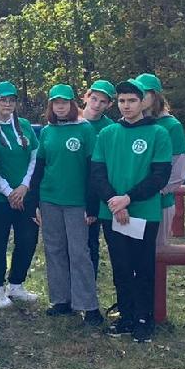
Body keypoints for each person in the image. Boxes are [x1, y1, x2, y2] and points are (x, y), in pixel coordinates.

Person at [91, 79, 171, 343]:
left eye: (132, 100)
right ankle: (125, 317)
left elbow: (159, 176)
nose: (127, 106)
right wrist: (114, 201)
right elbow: (98, 173)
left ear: (142, 102)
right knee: (121, 266)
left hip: (144, 211)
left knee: (142, 266)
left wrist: (128, 199)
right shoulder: (107, 134)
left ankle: (143, 319)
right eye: (122, 101)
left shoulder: (158, 133)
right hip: (111, 212)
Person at [28, 85, 102, 327]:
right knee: (54, 250)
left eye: (65, 102)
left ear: (73, 104)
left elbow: (93, 169)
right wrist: (33, 202)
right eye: (55, 103)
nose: (60, 107)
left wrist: (92, 206)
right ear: (50, 106)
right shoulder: (47, 132)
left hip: (76, 202)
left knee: (80, 252)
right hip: (50, 200)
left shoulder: (85, 130)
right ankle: (61, 300)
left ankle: (88, 305)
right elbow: (39, 169)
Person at [0, 80, 40, 308]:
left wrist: (24, 186)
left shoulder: (23, 125)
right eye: (2, 99)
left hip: (24, 195)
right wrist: (7, 191)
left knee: (27, 239)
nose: (7, 103)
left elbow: (35, 155)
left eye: (11, 99)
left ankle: (17, 284)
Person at [136, 73, 185, 248]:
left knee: (155, 255)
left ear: (155, 95)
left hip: (159, 201)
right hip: (133, 202)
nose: (140, 98)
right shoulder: (133, 123)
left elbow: (178, 171)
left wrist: (155, 191)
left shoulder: (172, 126)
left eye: (145, 93)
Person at [81, 79, 116, 277]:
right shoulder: (70, 119)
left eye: (103, 101)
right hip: (70, 190)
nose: (97, 105)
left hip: (95, 192)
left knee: (90, 241)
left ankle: (88, 288)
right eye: (94, 99)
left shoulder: (109, 128)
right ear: (86, 97)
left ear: (109, 104)